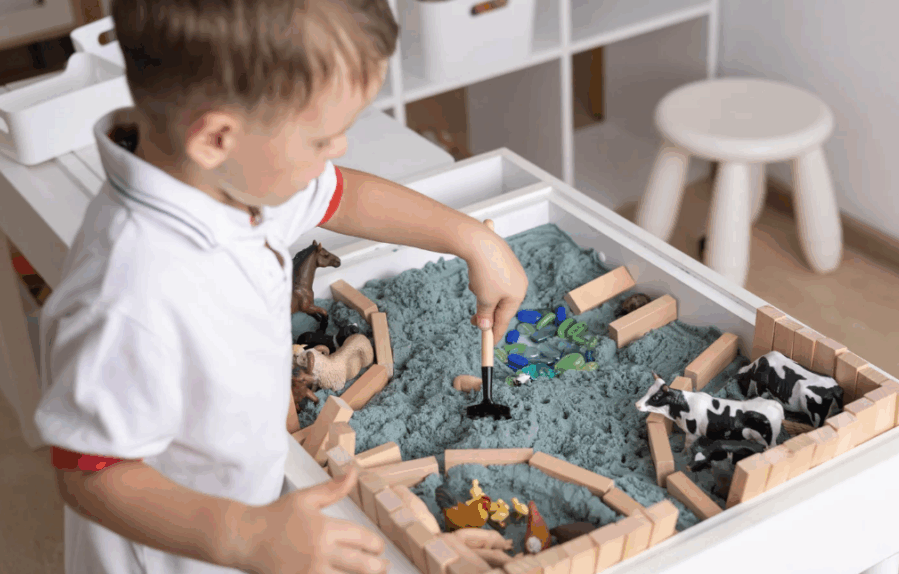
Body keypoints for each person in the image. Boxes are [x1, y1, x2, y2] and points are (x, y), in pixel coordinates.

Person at [33, 1, 528, 573]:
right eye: (321, 139)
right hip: (193, 552)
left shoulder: (228, 178)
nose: (336, 151)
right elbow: (90, 473)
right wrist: (241, 535)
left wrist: (473, 240)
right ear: (216, 137)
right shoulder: (129, 294)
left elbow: (342, 196)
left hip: (266, 496)